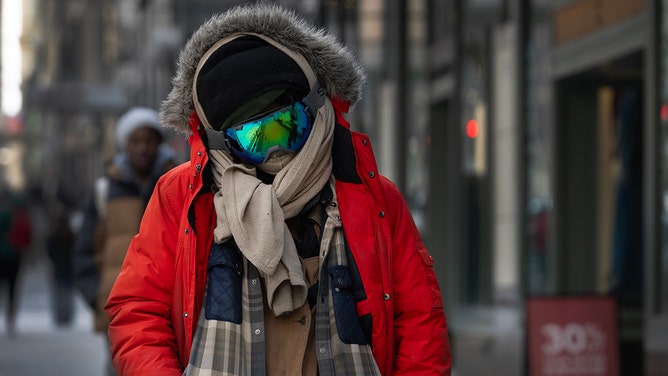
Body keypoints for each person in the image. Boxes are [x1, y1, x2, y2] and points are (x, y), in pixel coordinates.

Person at [106, 4, 452, 375]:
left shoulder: (372, 196)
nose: (276, 150)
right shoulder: (183, 194)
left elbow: (419, 320)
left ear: (313, 110)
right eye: (254, 138)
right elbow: (138, 309)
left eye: (286, 125)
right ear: (223, 142)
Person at [73, 107, 175, 375]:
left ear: (158, 143)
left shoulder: (174, 183)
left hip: (165, 307)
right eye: (135, 140)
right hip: (116, 310)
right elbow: (84, 251)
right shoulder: (104, 190)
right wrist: (98, 297)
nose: (142, 148)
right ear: (125, 144)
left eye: (148, 140)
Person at [0, 177, 31, 336]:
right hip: (15, 254)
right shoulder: (17, 207)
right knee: (13, 287)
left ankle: (8, 316)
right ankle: (10, 317)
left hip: (3, 255)